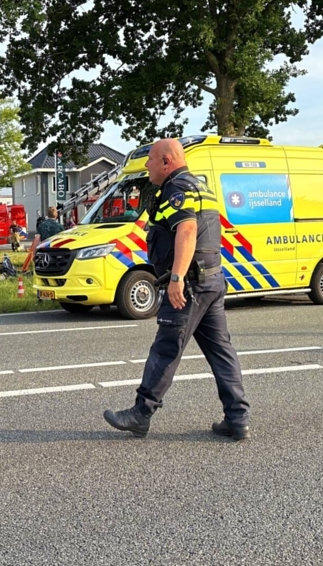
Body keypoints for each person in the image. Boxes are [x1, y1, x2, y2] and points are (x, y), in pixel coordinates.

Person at [103, 138, 250, 441]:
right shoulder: (200, 186)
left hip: (190, 284)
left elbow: (187, 229)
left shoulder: (177, 188)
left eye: (151, 159)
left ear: (166, 161)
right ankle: (237, 419)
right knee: (221, 352)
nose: (147, 165)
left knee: (166, 348)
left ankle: (141, 414)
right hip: (211, 280)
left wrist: (176, 278)